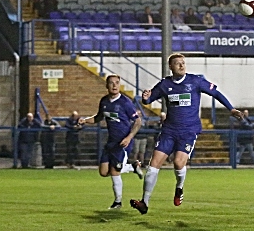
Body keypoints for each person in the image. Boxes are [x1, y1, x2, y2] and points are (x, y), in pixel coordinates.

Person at [130, 53, 243, 214]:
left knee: (178, 163)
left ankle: (179, 187)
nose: (182, 65)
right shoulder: (165, 84)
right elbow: (149, 100)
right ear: (171, 67)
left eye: (183, 63)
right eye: (177, 63)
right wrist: (146, 98)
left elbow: (216, 93)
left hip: (188, 131)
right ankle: (144, 202)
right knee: (153, 164)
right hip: (169, 131)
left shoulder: (195, 81)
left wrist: (230, 108)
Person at [79, 75, 144, 209]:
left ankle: (118, 202)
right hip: (111, 143)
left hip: (123, 142)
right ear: (106, 85)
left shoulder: (125, 102)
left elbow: (138, 121)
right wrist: (85, 120)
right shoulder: (104, 102)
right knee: (103, 172)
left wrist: (129, 137)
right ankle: (132, 167)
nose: (114, 85)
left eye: (117, 83)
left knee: (115, 171)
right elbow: (98, 117)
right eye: (111, 83)